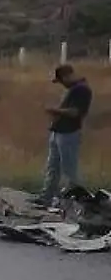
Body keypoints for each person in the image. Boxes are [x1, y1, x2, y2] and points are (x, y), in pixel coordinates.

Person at [37, 63, 92, 210]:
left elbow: (75, 112)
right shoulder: (73, 90)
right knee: (52, 168)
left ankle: (76, 204)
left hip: (69, 133)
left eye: (61, 80)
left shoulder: (81, 90)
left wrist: (55, 110)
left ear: (68, 76)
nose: (61, 84)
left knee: (69, 170)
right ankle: (46, 198)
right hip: (58, 131)